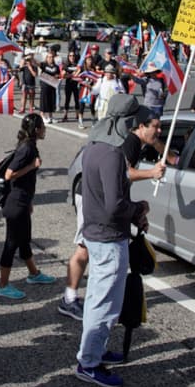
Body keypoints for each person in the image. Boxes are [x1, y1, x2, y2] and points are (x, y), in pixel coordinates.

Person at [74, 106, 158, 387]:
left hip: (96, 233)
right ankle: (89, 362)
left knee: (97, 298)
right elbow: (115, 205)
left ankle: (92, 352)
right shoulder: (112, 154)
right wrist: (138, 208)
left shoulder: (94, 147)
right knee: (105, 304)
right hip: (109, 237)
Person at [59, 98, 165, 320]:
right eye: (155, 125)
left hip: (94, 192)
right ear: (139, 125)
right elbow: (123, 174)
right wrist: (151, 174)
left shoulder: (129, 140)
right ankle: (70, 299)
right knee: (86, 245)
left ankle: (93, 303)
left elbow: (119, 185)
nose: (159, 129)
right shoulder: (129, 143)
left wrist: (132, 213)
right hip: (89, 194)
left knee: (92, 246)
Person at [0, 114, 56, 299]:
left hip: (22, 201)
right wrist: (32, 166)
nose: (45, 129)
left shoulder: (29, 145)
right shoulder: (27, 148)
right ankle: (3, 285)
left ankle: (34, 274)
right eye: (43, 126)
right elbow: (9, 174)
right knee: (11, 243)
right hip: (15, 203)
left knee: (24, 239)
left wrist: (29, 202)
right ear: (36, 130)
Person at [39, 46, 61, 124]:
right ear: (46, 58)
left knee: (51, 101)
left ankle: (50, 116)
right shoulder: (44, 65)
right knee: (44, 100)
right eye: (49, 57)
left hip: (52, 86)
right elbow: (37, 64)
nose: (50, 58)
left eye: (52, 57)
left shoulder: (56, 66)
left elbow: (58, 74)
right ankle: (42, 115)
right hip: (45, 86)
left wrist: (57, 76)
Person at [62, 49, 83, 123]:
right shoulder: (66, 64)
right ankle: (65, 115)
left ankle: (77, 115)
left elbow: (81, 74)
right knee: (67, 100)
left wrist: (74, 74)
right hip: (68, 84)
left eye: (73, 55)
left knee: (77, 100)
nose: (72, 57)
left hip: (76, 85)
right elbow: (63, 75)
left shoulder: (78, 64)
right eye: (70, 55)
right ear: (68, 56)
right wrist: (72, 75)